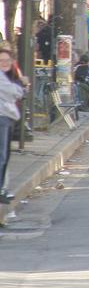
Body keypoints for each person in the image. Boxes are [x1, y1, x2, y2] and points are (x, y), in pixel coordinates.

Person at [0, 47, 27, 204]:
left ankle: (3, 188)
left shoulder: (6, 76)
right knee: (2, 156)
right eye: (1, 60)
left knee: (4, 155)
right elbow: (13, 92)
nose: (4, 63)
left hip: (7, 117)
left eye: (7, 61)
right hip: (2, 117)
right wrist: (21, 86)